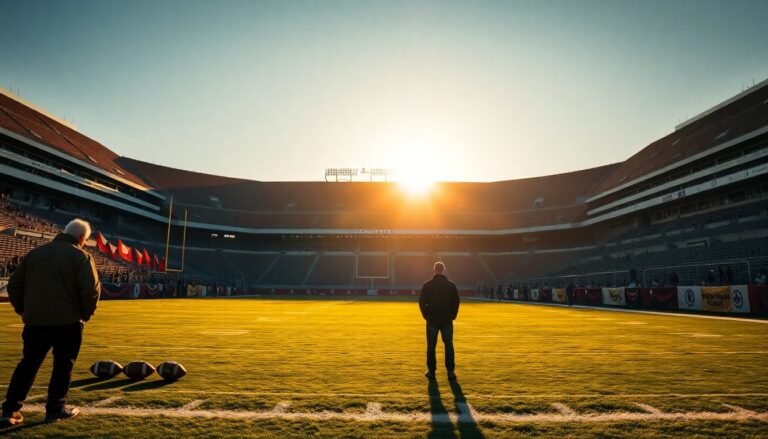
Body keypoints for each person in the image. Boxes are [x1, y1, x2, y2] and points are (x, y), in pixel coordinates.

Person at [1, 219, 100, 426]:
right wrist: (85, 314)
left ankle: (10, 410)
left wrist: (24, 310)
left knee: (28, 364)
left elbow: (14, 285)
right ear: (82, 238)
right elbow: (90, 290)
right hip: (68, 322)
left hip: (35, 322)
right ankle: (55, 409)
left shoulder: (36, 253)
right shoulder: (81, 256)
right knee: (63, 366)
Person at [419, 262, 460, 380]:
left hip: (432, 319)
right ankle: (451, 372)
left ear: (434, 270)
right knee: (448, 345)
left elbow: (421, 301)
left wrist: (425, 315)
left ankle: (431, 371)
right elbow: (456, 302)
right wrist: (453, 315)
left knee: (431, 346)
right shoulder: (451, 285)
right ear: (444, 270)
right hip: (447, 319)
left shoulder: (427, 285)